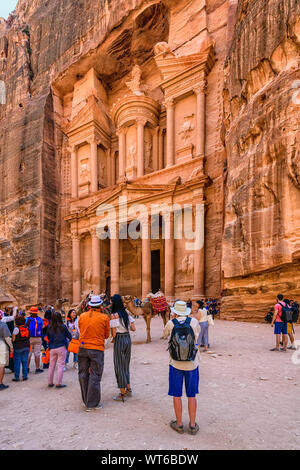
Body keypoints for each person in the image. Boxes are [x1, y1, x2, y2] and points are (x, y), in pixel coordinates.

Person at [162, 300, 200, 435]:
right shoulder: (194, 322)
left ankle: (178, 424)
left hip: (175, 364)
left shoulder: (171, 323)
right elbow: (197, 336)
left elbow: (165, 335)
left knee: (176, 394)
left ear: (175, 312)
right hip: (191, 364)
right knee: (192, 395)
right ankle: (192, 425)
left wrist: (172, 320)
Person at [78, 295, 110, 411]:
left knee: (82, 374)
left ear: (90, 305)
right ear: (100, 305)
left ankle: (86, 400)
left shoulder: (82, 316)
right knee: (95, 375)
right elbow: (106, 335)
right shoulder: (104, 317)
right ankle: (92, 404)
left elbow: (81, 330)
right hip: (96, 348)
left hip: (82, 347)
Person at [110, 294, 136, 402]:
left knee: (119, 365)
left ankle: (122, 392)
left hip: (120, 340)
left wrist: (112, 338)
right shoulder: (126, 313)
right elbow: (133, 328)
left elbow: (114, 334)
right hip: (127, 339)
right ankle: (128, 388)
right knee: (126, 364)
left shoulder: (114, 315)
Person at [47, 311, 72, 388]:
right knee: (61, 365)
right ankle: (59, 383)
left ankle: (50, 382)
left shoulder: (49, 327)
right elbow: (69, 336)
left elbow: (48, 337)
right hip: (61, 347)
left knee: (51, 366)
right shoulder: (63, 326)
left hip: (52, 348)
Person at [26, 306, 44, 373]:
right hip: (38, 338)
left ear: (30, 312)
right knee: (37, 354)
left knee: (28, 354)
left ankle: (27, 368)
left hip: (29, 338)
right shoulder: (40, 319)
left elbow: (24, 327)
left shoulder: (27, 319)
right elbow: (43, 327)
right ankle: (37, 368)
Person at [11, 315, 30, 382]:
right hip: (26, 346)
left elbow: (13, 339)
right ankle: (25, 376)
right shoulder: (27, 328)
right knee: (24, 361)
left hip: (18, 347)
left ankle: (17, 377)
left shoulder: (16, 329)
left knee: (17, 362)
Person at [0, 313, 13, 390]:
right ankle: (0, 383)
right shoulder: (3, 325)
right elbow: (7, 338)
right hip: (1, 345)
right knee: (1, 365)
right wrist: (11, 347)